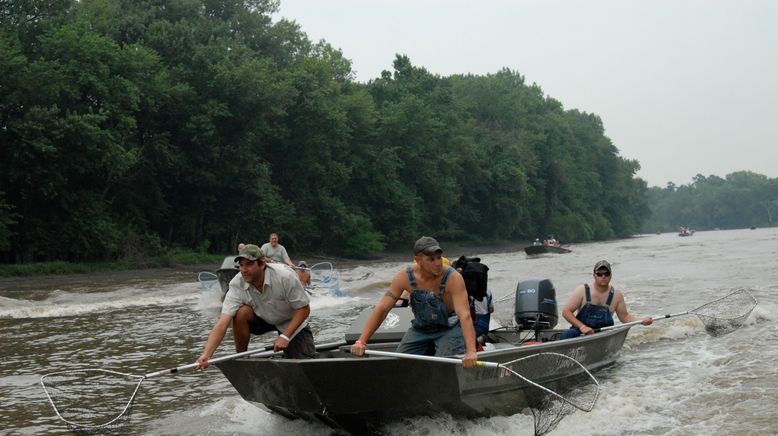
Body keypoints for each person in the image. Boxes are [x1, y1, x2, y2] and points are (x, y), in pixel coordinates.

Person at [351, 236, 478, 368]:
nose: (438, 263)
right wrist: (361, 341)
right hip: (421, 329)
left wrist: (471, 352)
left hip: (449, 327)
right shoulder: (404, 277)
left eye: (439, 257)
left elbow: (465, 315)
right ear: (418, 260)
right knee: (399, 365)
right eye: (431, 259)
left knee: (444, 366)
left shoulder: (453, 278)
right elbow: (383, 308)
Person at [196, 244, 314, 369]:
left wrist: (285, 336)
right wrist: (206, 354)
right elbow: (222, 323)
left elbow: (304, 309)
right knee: (240, 312)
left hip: (291, 321)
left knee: (306, 367)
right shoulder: (237, 284)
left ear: (262, 264)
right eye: (241, 265)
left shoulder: (284, 276)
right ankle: (241, 357)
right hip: (263, 318)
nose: (244, 270)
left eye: (249, 264)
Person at [559, 260, 653, 339]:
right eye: (599, 273)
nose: (603, 276)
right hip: (580, 331)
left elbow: (625, 318)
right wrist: (582, 327)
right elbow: (566, 312)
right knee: (567, 334)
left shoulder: (617, 294)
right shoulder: (582, 290)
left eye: (606, 273)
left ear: (610, 275)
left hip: (603, 335)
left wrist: (641, 321)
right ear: (594, 275)